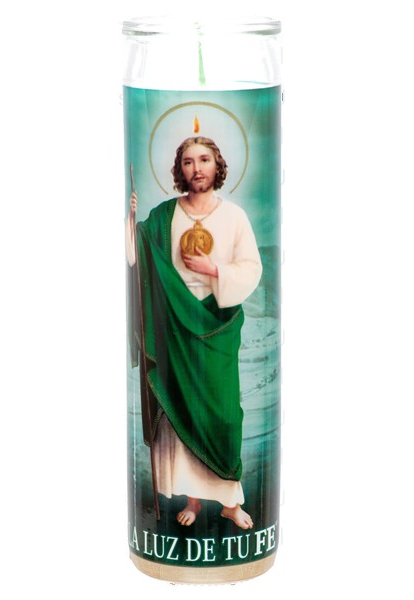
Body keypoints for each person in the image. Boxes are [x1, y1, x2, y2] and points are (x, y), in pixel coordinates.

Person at [126, 136, 262, 529]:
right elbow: (136, 257)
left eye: (204, 160)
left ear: (217, 166)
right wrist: (131, 223)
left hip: (216, 325)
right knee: (182, 414)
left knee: (224, 417)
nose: (196, 168)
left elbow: (251, 268)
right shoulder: (164, 215)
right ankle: (194, 500)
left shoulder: (234, 217)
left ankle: (231, 502)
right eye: (188, 162)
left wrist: (214, 270)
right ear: (179, 170)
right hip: (174, 326)